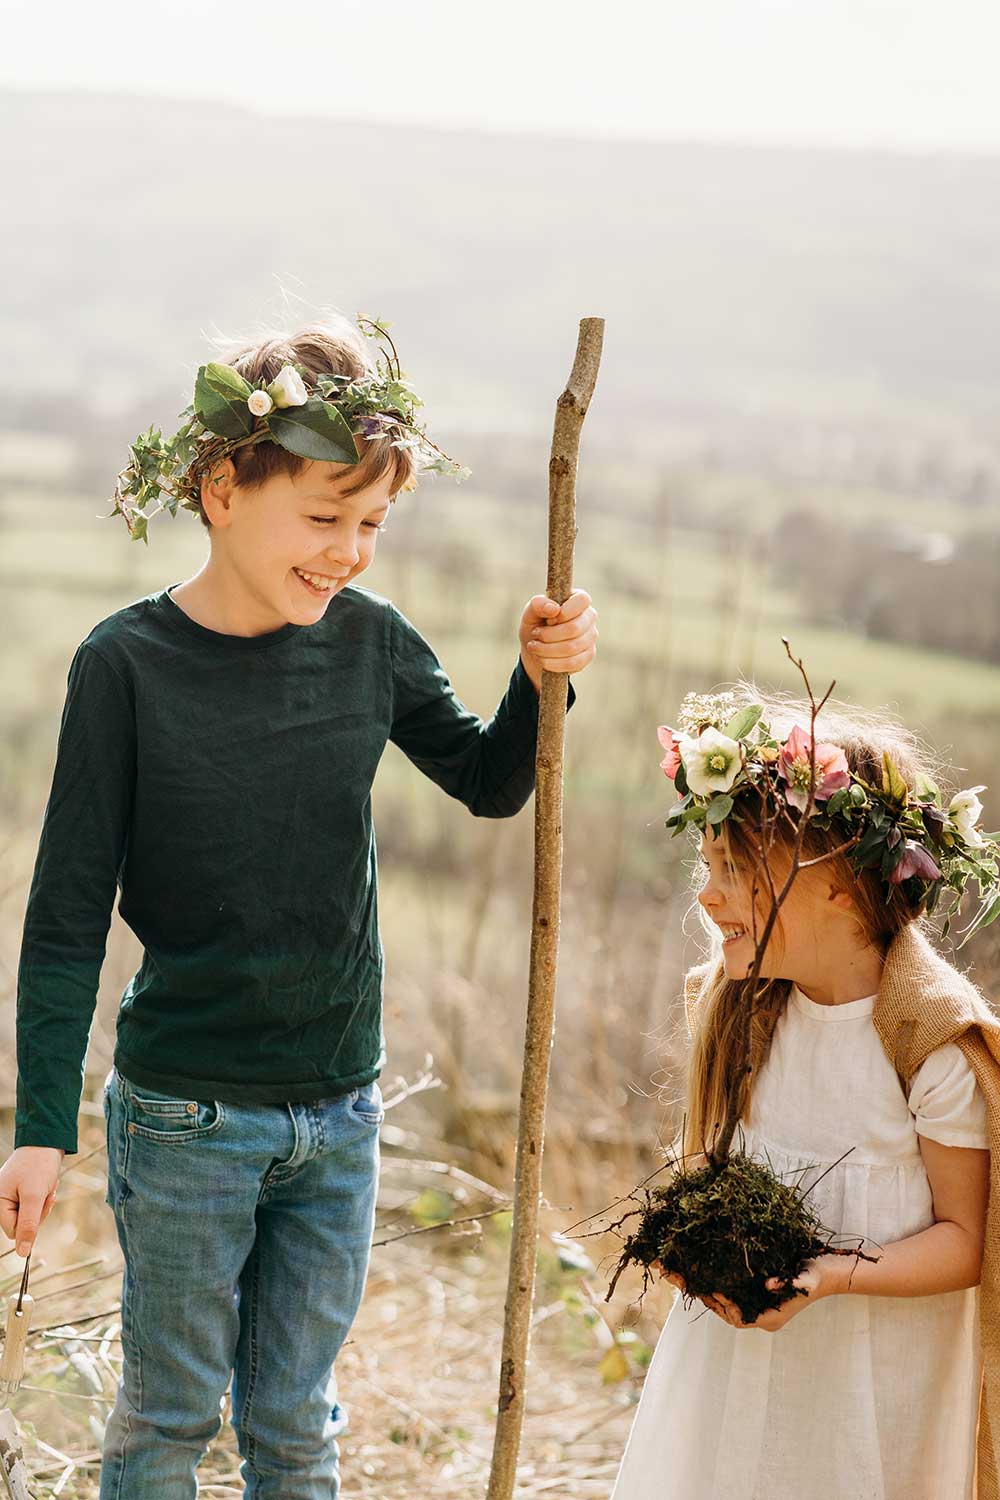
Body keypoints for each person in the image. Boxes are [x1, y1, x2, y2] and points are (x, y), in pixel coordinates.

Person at [0, 314, 599, 1499]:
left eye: (371, 524)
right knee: (169, 1417)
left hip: (339, 1109)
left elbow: (488, 783)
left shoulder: (369, 646)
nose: (349, 552)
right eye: (324, 518)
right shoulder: (124, 666)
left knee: (297, 1426)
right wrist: (39, 1126)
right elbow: (68, 912)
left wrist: (542, 684)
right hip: (183, 1121)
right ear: (223, 488)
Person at [611, 686, 1000, 1500]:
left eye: (737, 870)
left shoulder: (927, 1046)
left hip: (874, 1382)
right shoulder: (744, 1010)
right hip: (735, 1363)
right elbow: (708, 1169)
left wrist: (831, 1274)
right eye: (705, 866)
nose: (707, 894)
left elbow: (969, 1240)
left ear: (841, 885)